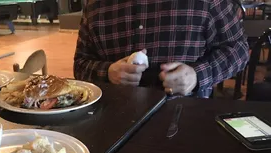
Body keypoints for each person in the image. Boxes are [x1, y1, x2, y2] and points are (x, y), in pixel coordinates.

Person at [73, 0, 249, 98]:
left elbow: (238, 49)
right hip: (112, 124)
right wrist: (108, 72)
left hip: (187, 121)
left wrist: (197, 76)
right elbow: (81, 63)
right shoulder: (95, 5)